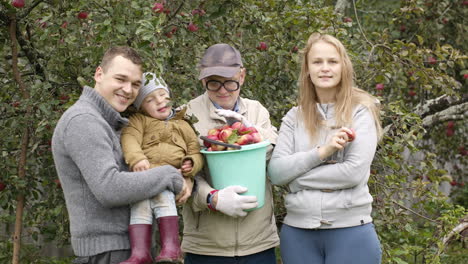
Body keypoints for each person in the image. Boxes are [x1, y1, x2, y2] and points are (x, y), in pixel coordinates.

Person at [51, 46, 186, 264]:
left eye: (135, 84)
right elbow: (109, 188)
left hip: (128, 250)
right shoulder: (84, 121)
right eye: (120, 79)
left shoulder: (111, 122)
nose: (128, 90)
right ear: (99, 74)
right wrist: (170, 176)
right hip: (109, 253)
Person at [267, 33, 383, 264]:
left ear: (343, 67)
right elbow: (276, 172)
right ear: (308, 69)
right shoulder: (294, 116)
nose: (325, 68)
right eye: (317, 62)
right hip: (298, 234)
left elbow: (353, 173)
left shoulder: (361, 112)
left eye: (332, 61)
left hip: (351, 232)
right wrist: (323, 152)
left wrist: (296, 180)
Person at [181, 43, 280, 264]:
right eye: (214, 83)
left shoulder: (256, 111)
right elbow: (181, 172)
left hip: (257, 242)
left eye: (230, 82)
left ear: (242, 76)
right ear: (203, 80)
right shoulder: (188, 115)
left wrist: (252, 132)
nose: (223, 90)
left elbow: (275, 152)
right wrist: (211, 198)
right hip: (207, 246)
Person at [120, 72, 203, 264]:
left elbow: (195, 150)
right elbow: (129, 138)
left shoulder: (183, 124)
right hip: (144, 176)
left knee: (164, 199)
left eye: (163, 96)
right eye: (150, 99)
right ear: (140, 106)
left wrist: (192, 163)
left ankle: (172, 248)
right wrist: (137, 159)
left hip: (169, 177)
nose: (160, 102)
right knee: (139, 208)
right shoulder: (139, 121)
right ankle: (140, 253)